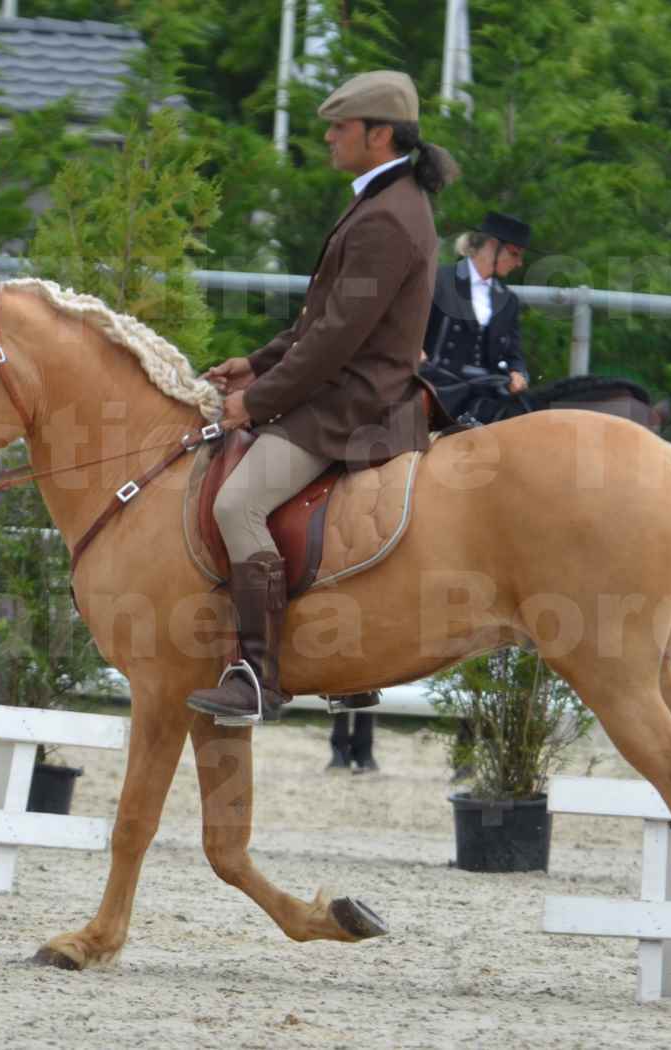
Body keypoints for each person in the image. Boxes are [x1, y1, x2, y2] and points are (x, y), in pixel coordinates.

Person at [186, 71, 459, 724]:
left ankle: (256, 675)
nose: (330, 137)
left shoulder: (389, 216)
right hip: (343, 383)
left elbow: (336, 338)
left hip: (353, 402)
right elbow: (321, 319)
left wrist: (255, 402)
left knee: (237, 503)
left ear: (379, 135)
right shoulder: (384, 199)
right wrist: (254, 364)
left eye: (341, 127)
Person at [420, 211, 531, 423]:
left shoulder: (508, 300)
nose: (519, 263)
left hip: (487, 390)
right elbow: (407, 327)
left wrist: (518, 373)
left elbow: (514, 354)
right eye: (515, 254)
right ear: (492, 246)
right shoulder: (439, 280)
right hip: (439, 384)